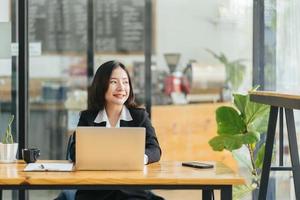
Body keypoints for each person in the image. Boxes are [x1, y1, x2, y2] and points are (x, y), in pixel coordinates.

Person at [68, 60, 163, 200]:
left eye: (125, 82)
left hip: (131, 191)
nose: (121, 88)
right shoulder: (88, 117)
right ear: (101, 86)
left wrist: (138, 158)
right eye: (114, 82)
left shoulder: (139, 116)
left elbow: (155, 149)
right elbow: (75, 150)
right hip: (94, 191)